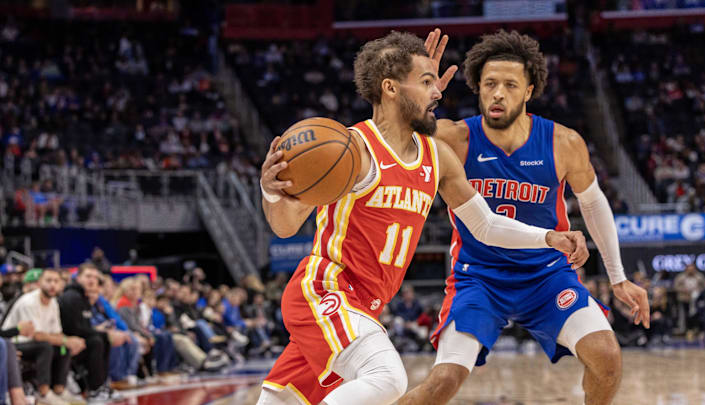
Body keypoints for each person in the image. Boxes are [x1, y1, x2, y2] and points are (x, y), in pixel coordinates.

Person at [256, 29, 588, 405]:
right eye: (427, 82)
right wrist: (272, 189)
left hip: (363, 308)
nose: (438, 92)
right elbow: (284, 226)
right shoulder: (352, 152)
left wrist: (549, 237)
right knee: (386, 377)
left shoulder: (437, 156)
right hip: (325, 291)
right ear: (391, 89)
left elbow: (485, 224)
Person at [399, 30, 650, 405]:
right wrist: (415, 93)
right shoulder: (453, 138)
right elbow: (395, 139)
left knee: (607, 356)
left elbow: (594, 203)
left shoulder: (562, 142)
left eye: (510, 85)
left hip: (546, 275)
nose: (498, 93)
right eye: (489, 84)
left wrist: (618, 278)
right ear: (477, 89)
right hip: (478, 277)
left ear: (530, 90)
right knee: (443, 382)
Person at [1, 269, 86, 405]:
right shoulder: (29, 302)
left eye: (56, 281)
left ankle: (59, 389)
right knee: (45, 346)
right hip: (14, 343)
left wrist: (70, 342)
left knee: (64, 348)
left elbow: (56, 333)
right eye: (48, 280)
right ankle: (44, 393)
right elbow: (37, 335)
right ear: (40, 282)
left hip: (34, 344)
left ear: (61, 284)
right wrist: (66, 340)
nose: (52, 285)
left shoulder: (53, 302)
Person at [58, 263, 125, 400]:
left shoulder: (83, 297)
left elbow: (84, 327)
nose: (92, 280)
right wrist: (102, 333)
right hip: (65, 342)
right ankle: (95, 390)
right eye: (88, 276)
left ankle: (102, 385)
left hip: (79, 339)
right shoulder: (71, 296)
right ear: (78, 277)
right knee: (97, 340)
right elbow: (74, 328)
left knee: (102, 338)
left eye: (95, 277)